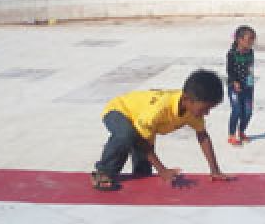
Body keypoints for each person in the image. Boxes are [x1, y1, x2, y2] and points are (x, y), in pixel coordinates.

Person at [92, 69, 230, 190]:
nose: (206, 113)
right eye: (205, 109)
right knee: (127, 135)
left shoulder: (192, 111)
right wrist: (162, 170)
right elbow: (140, 140)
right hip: (119, 110)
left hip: (144, 125)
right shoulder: (160, 108)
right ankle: (104, 173)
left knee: (143, 172)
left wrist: (214, 170)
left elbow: (203, 136)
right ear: (187, 99)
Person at [226, 25, 257, 145]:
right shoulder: (231, 54)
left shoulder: (250, 52)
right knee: (237, 110)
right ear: (239, 39)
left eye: (253, 39)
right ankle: (232, 135)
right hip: (234, 87)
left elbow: (250, 69)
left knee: (248, 112)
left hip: (248, 87)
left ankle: (242, 131)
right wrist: (235, 82)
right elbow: (229, 70)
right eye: (249, 39)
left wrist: (250, 86)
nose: (251, 42)